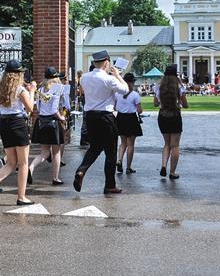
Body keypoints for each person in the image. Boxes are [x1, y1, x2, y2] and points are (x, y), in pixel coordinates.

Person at [72, 51, 127, 194]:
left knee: (94, 147)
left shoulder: (84, 77)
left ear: (94, 62)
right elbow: (125, 90)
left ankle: (81, 170)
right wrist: (117, 75)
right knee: (111, 152)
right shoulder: (109, 78)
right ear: (107, 62)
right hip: (106, 116)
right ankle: (110, 185)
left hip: (90, 116)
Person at [0, 59, 36, 206]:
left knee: (11, 162)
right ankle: (21, 197)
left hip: (4, 124)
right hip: (18, 124)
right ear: (18, 74)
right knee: (23, 163)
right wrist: (32, 92)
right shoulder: (20, 90)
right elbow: (30, 108)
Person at [28, 67, 67, 185]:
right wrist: (61, 118)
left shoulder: (40, 89)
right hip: (53, 122)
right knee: (56, 153)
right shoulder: (57, 89)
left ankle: (31, 167)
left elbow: (39, 108)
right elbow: (54, 109)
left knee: (44, 152)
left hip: (42, 121)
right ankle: (55, 178)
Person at [154, 64, 187, 179]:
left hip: (163, 115)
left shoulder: (158, 86)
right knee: (175, 146)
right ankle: (172, 172)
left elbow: (155, 104)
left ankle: (164, 165)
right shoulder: (179, 87)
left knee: (166, 144)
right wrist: (180, 102)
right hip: (175, 115)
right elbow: (185, 104)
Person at [114, 72, 142, 174]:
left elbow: (114, 107)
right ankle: (128, 167)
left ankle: (119, 159)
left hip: (120, 118)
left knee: (123, 143)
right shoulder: (135, 95)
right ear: (132, 83)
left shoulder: (118, 94)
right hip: (131, 119)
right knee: (131, 145)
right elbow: (139, 110)